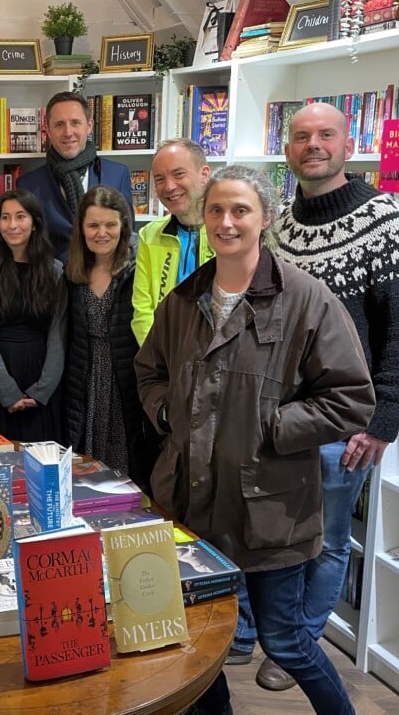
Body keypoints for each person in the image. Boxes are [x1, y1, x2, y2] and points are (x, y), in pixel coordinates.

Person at [136, 165, 376, 715]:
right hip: (191, 503)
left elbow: (351, 398)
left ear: (264, 218)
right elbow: (149, 371)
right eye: (216, 210)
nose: (226, 221)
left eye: (240, 210)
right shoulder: (184, 299)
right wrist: (170, 414)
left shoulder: (307, 299)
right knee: (202, 642)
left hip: (270, 507)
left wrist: (271, 427)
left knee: (287, 640)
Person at [245, 101, 399, 691]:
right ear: (287, 148)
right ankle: (276, 632)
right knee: (275, 532)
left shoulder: (387, 222)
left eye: (325, 135)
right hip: (277, 420)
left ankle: (296, 645)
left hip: (342, 425)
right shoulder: (279, 228)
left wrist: (382, 422)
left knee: (326, 540)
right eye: (301, 137)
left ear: (346, 144)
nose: (313, 146)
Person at [65, 186, 151, 487]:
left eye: (110, 224)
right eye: (93, 225)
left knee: (128, 467)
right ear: (82, 229)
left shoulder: (139, 267)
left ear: (123, 226)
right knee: (87, 470)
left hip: (126, 380)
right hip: (84, 380)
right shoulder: (72, 272)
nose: (101, 233)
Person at [0, 188, 66, 442]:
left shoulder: (55, 271)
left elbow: (58, 335)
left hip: (40, 376)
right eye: (5, 217)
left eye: (20, 217)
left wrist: (42, 391)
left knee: (41, 461)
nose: (12, 225)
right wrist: (7, 392)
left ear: (34, 223)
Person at [18, 91, 133, 262]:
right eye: (59, 125)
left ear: (89, 125)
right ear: (48, 130)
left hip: (107, 281)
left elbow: (127, 236)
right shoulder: (28, 184)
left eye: (75, 123)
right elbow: (27, 247)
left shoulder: (118, 174)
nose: (68, 132)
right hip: (53, 283)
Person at [131, 138, 214, 344]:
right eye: (159, 179)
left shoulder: (228, 232)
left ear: (204, 175)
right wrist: (158, 362)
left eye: (178, 174)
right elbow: (142, 310)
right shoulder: (149, 235)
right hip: (164, 360)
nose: (169, 187)